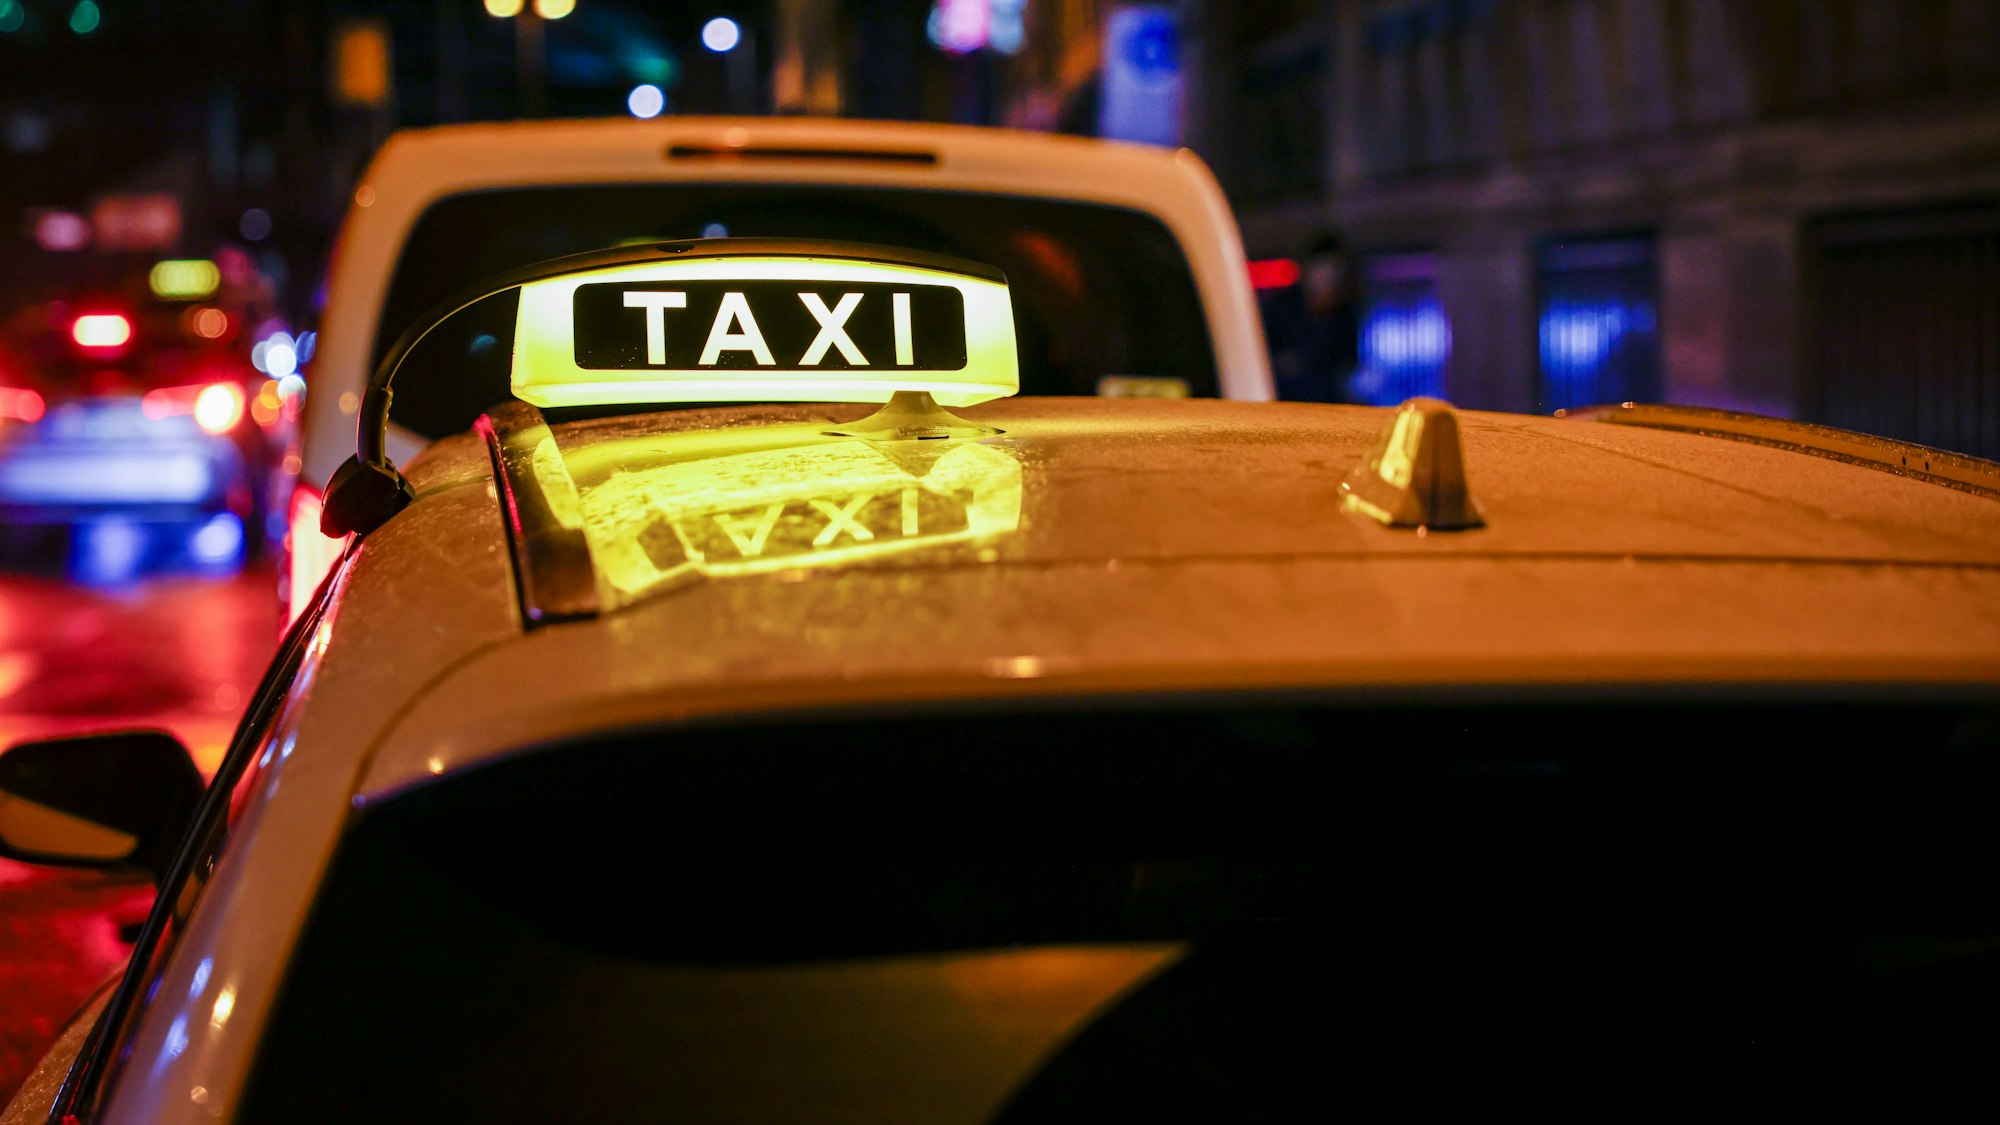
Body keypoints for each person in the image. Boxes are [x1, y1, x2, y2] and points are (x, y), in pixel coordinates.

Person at [1270, 232, 1361, 404]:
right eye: (1321, 267)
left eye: (1334, 268)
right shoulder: (1280, 310)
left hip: (1331, 410)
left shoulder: (1344, 315)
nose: (1327, 276)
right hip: (1284, 408)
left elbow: (1348, 366)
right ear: (1306, 268)